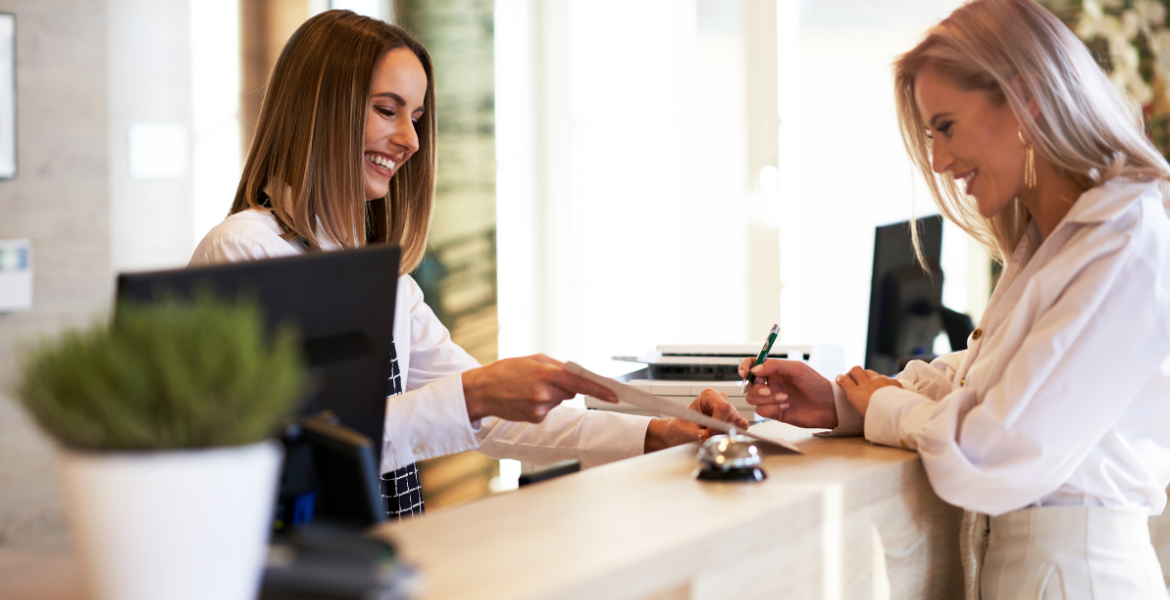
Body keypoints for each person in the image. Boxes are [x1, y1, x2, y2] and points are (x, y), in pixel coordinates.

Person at [190, 10, 747, 520]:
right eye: (387, 110)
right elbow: (294, 449)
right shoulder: (244, 250)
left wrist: (659, 432)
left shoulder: (384, 281)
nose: (409, 139)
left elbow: (489, 420)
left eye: (417, 117)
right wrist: (475, 394)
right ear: (322, 110)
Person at [741, 0, 1170, 597]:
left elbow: (990, 450)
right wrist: (846, 401)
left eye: (946, 126)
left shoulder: (1122, 236)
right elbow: (986, 385)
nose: (940, 161)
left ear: (1025, 99)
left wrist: (887, 409)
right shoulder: (1059, 241)